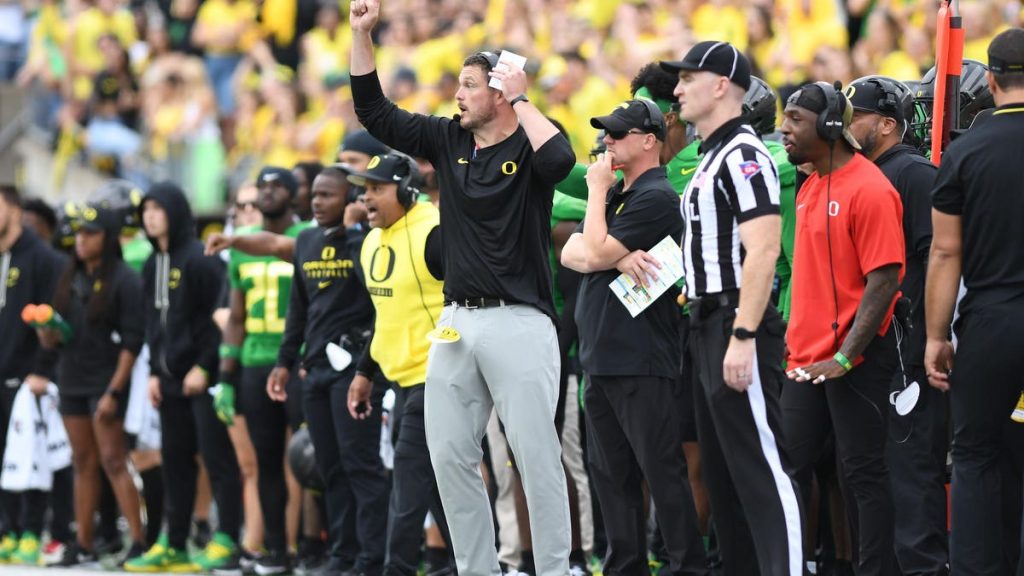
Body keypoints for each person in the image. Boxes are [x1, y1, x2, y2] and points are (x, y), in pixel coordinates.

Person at [349, 2, 576, 576]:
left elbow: (561, 159)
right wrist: (361, 34)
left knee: (535, 457)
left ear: (500, 93)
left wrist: (523, 98)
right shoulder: (447, 139)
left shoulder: (529, 141)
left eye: (471, 85)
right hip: (457, 321)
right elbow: (374, 112)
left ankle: (553, 569)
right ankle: (478, 570)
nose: (459, 95)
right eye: (459, 85)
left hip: (521, 320)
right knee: (448, 456)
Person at [660, 41, 802, 576]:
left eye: (687, 79)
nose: (676, 90)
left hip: (733, 321)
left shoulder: (743, 154)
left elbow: (764, 248)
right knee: (723, 478)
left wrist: (742, 335)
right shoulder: (711, 155)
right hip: (704, 323)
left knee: (764, 469)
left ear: (722, 84)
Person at [561, 99, 708, 576]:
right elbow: (570, 251)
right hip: (603, 356)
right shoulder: (623, 196)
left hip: (640, 356)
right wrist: (611, 255)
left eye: (618, 134)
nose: (608, 141)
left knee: (660, 470)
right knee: (611, 475)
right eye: (606, 133)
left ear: (649, 140)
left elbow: (594, 246)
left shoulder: (655, 196)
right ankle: (625, 565)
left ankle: (687, 566)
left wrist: (601, 222)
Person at [780, 81, 905, 576]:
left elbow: (886, 278)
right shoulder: (810, 186)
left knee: (864, 476)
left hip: (856, 362)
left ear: (830, 127)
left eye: (795, 120)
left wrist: (846, 355)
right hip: (804, 360)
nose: (784, 130)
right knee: (790, 467)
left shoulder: (872, 188)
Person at [925, 27, 1024, 576]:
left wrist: (938, 338)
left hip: (989, 325)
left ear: (990, 81)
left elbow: (945, 254)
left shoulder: (965, 152)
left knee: (977, 456)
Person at [844, 75, 947, 575]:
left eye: (854, 115)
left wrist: (917, 325)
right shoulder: (855, 175)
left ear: (887, 124)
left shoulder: (912, 173)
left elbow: (935, 258)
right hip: (873, 345)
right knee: (873, 468)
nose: (844, 125)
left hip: (906, 345)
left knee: (909, 464)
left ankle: (923, 566)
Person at [269, 166, 390, 576]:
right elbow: (298, 306)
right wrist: (285, 360)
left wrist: (355, 234)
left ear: (351, 201)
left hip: (357, 369)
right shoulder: (304, 239)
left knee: (361, 465)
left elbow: (375, 289)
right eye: (315, 195)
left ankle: (372, 558)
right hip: (315, 369)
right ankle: (342, 554)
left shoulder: (368, 240)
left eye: (328, 195)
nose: (317, 202)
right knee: (331, 467)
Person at [343, 153, 456, 576]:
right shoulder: (373, 240)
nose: (366, 198)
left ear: (408, 191)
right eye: (364, 188)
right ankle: (481, 565)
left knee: (408, 485)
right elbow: (384, 315)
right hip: (400, 380)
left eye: (377, 189)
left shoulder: (436, 233)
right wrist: (364, 372)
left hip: (438, 377)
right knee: (437, 491)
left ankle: (397, 569)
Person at [125, 182, 243, 573]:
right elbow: (151, 326)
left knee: (216, 458)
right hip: (169, 379)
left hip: (204, 377)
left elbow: (221, 317)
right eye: (146, 209)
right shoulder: (149, 264)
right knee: (175, 461)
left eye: (158, 208)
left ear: (176, 212)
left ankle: (226, 538)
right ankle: (174, 543)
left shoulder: (201, 258)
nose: (151, 216)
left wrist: (205, 366)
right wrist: (156, 375)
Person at [213, 167, 309, 574]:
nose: (267, 194)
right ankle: (276, 551)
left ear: (292, 194)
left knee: (315, 459)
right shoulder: (240, 248)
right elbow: (235, 316)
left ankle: (319, 547)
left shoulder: (308, 236)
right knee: (267, 461)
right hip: (255, 362)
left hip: (300, 362)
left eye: (276, 187)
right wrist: (226, 375)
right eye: (261, 188)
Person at [40, 202, 146, 566]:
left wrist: (115, 391)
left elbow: (133, 342)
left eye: (90, 233)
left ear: (109, 236)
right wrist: (47, 331)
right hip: (72, 377)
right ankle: (83, 542)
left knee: (114, 459)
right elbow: (53, 341)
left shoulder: (125, 279)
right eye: (78, 234)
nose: (81, 241)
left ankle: (138, 541)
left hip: (106, 380)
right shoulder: (69, 276)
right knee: (82, 462)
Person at [0, 184, 65, 564]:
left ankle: (31, 529)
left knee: (32, 457)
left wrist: (42, 370)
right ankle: (7, 528)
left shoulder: (43, 259)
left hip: (29, 380)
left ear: (12, 209)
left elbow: (53, 322)